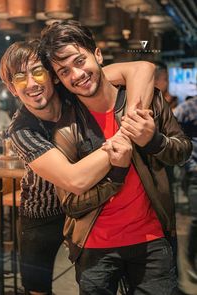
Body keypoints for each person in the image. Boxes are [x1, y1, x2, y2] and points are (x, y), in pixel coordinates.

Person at [39, 20, 192, 295]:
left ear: (97, 55)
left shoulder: (148, 99)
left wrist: (153, 141)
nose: (76, 74)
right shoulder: (65, 128)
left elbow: (182, 150)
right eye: (64, 71)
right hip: (95, 247)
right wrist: (116, 174)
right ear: (59, 80)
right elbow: (72, 205)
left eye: (79, 60)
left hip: (152, 240)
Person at [0, 39, 156, 295]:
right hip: (43, 212)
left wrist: (130, 121)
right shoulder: (21, 130)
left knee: (106, 278)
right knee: (36, 288)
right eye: (19, 78)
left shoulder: (73, 89)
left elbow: (143, 68)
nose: (32, 84)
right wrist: (126, 136)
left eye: (38, 72)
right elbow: (74, 180)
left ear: (52, 76)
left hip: (92, 203)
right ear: (11, 88)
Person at [174, 96, 197, 282]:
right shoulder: (187, 109)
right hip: (195, 174)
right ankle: (191, 262)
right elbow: (175, 138)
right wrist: (188, 164)